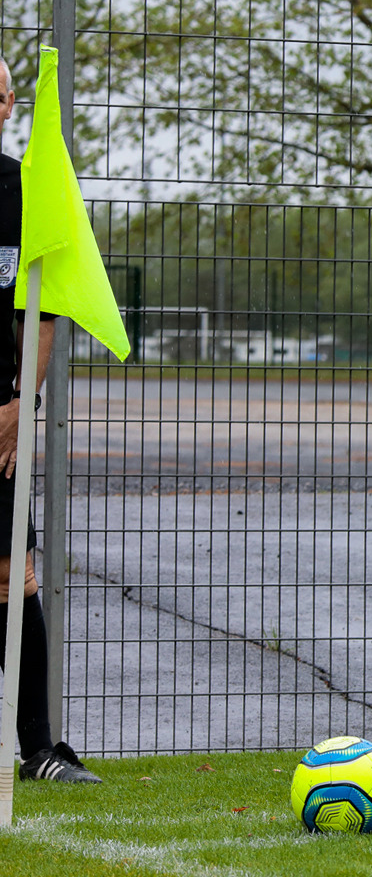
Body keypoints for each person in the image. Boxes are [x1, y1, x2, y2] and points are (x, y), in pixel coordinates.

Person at [0, 60, 99, 783]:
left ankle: (36, 749)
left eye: (6, 94)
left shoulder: (20, 190)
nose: (4, 105)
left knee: (13, 577)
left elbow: (43, 311)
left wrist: (16, 404)